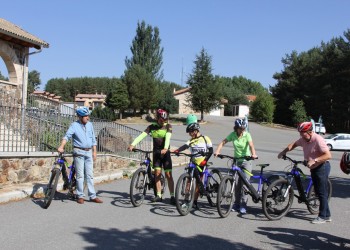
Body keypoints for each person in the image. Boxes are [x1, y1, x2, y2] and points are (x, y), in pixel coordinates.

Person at [277, 121, 332, 224]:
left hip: (322, 166)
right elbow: (294, 144)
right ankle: (327, 215)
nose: (301, 135)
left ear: (310, 132)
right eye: (300, 133)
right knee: (320, 191)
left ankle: (322, 217)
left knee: (321, 192)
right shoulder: (304, 139)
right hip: (314, 167)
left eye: (303, 132)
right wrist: (284, 151)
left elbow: (328, 155)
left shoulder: (318, 139)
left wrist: (314, 160)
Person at [127, 109, 175, 204]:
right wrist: (133, 144)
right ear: (157, 118)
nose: (163, 121)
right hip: (156, 153)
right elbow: (142, 136)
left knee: (168, 175)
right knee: (157, 173)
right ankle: (158, 195)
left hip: (166, 154)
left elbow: (168, 138)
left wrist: (165, 148)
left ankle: (172, 196)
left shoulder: (168, 126)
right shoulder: (151, 127)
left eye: (165, 120)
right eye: (162, 120)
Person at [57, 106, 103, 204]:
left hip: (89, 152)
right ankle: (80, 195)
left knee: (89, 175)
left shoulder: (90, 125)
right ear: (80, 117)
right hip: (79, 152)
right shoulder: (74, 125)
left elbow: (93, 139)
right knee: (80, 175)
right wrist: (61, 146)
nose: (88, 117)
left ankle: (92, 196)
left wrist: (94, 152)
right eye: (85, 116)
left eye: (88, 115)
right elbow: (67, 137)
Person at [214, 118, 257, 214]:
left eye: (243, 128)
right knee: (236, 183)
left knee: (245, 184)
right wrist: (218, 151)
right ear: (236, 128)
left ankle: (243, 204)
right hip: (236, 161)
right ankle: (236, 203)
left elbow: (251, 145)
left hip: (246, 161)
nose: (242, 130)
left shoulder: (247, 135)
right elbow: (223, 142)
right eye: (240, 128)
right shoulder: (233, 135)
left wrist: (253, 154)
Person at [172, 119, 213, 209]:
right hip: (193, 163)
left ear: (195, 131)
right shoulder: (191, 140)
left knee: (199, 183)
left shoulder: (205, 138)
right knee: (188, 182)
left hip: (202, 163)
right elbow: (185, 146)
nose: (189, 134)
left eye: (190, 132)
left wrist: (205, 160)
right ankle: (186, 201)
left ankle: (195, 201)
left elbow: (211, 151)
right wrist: (178, 150)